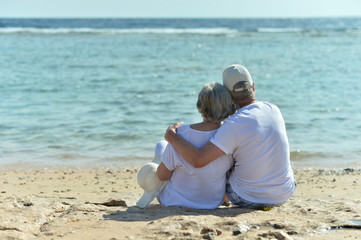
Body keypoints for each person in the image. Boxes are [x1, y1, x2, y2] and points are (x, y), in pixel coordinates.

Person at [165, 64, 296, 208]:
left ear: (228, 96)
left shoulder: (233, 124)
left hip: (248, 198)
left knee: (222, 159)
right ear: (253, 87)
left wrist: (172, 137)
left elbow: (198, 160)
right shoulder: (274, 109)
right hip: (285, 192)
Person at [137, 82, 234, 209]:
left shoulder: (180, 134)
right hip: (213, 202)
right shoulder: (230, 136)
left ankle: (151, 186)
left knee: (161, 145)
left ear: (199, 106)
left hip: (175, 201)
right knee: (164, 148)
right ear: (229, 107)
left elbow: (162, 176)